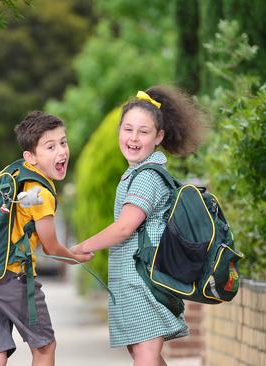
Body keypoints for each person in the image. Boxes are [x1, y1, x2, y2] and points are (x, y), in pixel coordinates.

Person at [70, 86, 207, 366]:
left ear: (159, 137)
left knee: (144, 356)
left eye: (143, 132)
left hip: (144, 282)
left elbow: (124, 227)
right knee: (146, 356)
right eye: (128, 129)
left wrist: (82, 247)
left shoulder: (147, 177)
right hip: (136, 282)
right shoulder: (136, 174)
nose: (133, 138)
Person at [0, 111, 93, 366]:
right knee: (45, 346)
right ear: (30, 157)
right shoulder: (39, 191)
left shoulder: (14, 175)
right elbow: (51, 246)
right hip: (13, 277)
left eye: (63, 142)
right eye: (50, 146)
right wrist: (74, 258)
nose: (62, 151)